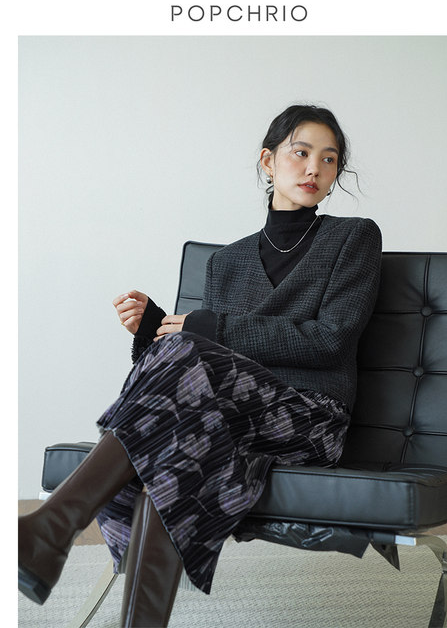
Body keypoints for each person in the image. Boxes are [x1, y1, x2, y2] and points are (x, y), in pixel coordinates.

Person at [18, 104, 382, 627]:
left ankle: (51, 528)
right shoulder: (226, 263)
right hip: (228, 419)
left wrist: (211, 328)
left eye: (329, 159)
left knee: (175, 416)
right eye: (301, 153)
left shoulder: (354, 238)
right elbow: (205, 363)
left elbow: (331, 341)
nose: (314, 169)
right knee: (172, 452)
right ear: (267, 161)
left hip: (310, 419)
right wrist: (154, 328)